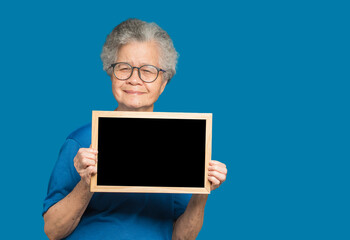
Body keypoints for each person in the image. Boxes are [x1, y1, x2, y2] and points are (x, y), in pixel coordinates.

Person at [43, 18, 227, 240]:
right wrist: (86, 183)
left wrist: (202, 192)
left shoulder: (182, 144)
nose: (134, 79)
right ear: (111, 73)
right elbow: (53, 231)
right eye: (124, 68)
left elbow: (182, 238)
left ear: (164, 82)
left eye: (147, 71)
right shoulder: (80, 141)